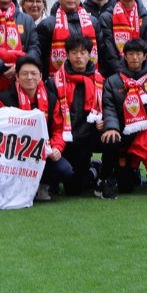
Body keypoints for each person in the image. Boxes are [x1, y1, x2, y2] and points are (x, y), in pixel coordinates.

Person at [100, 38, 147, 198]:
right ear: (125, 56)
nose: (134, 57)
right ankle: (107, 179)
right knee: (111, 139)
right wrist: (112, 128)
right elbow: (109, 108)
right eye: (130, 54)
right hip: (124, 132)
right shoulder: (112, 81)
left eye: (138, 54)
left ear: (144, 57)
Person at [0, 56, 73, 202]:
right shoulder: (4, 99)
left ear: (41, 76)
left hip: (41, 153)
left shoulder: (51, 98)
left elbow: (58, 129)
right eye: (24, 74)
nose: (29, 77)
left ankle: (42, 185)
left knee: (65, 170)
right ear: (16, 76)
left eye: (33, 73)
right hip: (13, 155)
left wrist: (57, 147)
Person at [48, 34, 107, 198]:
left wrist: (105, 121)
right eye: (74, 52)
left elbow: (108, 107)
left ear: (90, 55)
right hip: (64, 137)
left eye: (83, 52)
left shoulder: (99, 80)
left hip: (88, 136)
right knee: (71, 189)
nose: (79, 57)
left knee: (76, 190)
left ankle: (97, 170)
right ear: (67, 55)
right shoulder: (54, 82)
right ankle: (89, 170)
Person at [97, 0, 147, 76]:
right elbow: (108, 48)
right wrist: (121, 70)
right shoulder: (107, 17)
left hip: (141, 71)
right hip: (115, 72)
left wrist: (141, 69)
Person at [37, 0, 98, 75]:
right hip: (57, 78)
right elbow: (41, 56)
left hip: (89, 75)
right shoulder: (48, 24)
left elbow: (101, 52)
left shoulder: (93, 21)